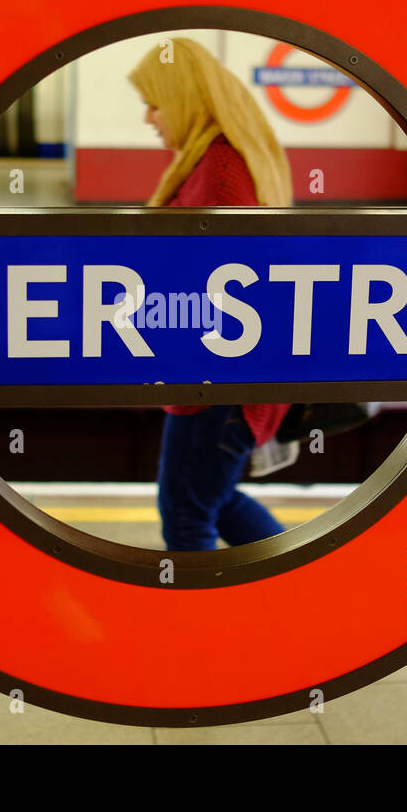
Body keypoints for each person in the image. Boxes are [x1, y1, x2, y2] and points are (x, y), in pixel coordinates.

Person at [127, 36, 294, 551]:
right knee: (211, 499)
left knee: (186, 514)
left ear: (184, 99)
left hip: (220, 382)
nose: (149, 118)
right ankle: (294, 590)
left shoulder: (220, 170)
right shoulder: (212, 160)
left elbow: (229, 281)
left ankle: (196, 627)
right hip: (216, 375)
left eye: (155, 103)